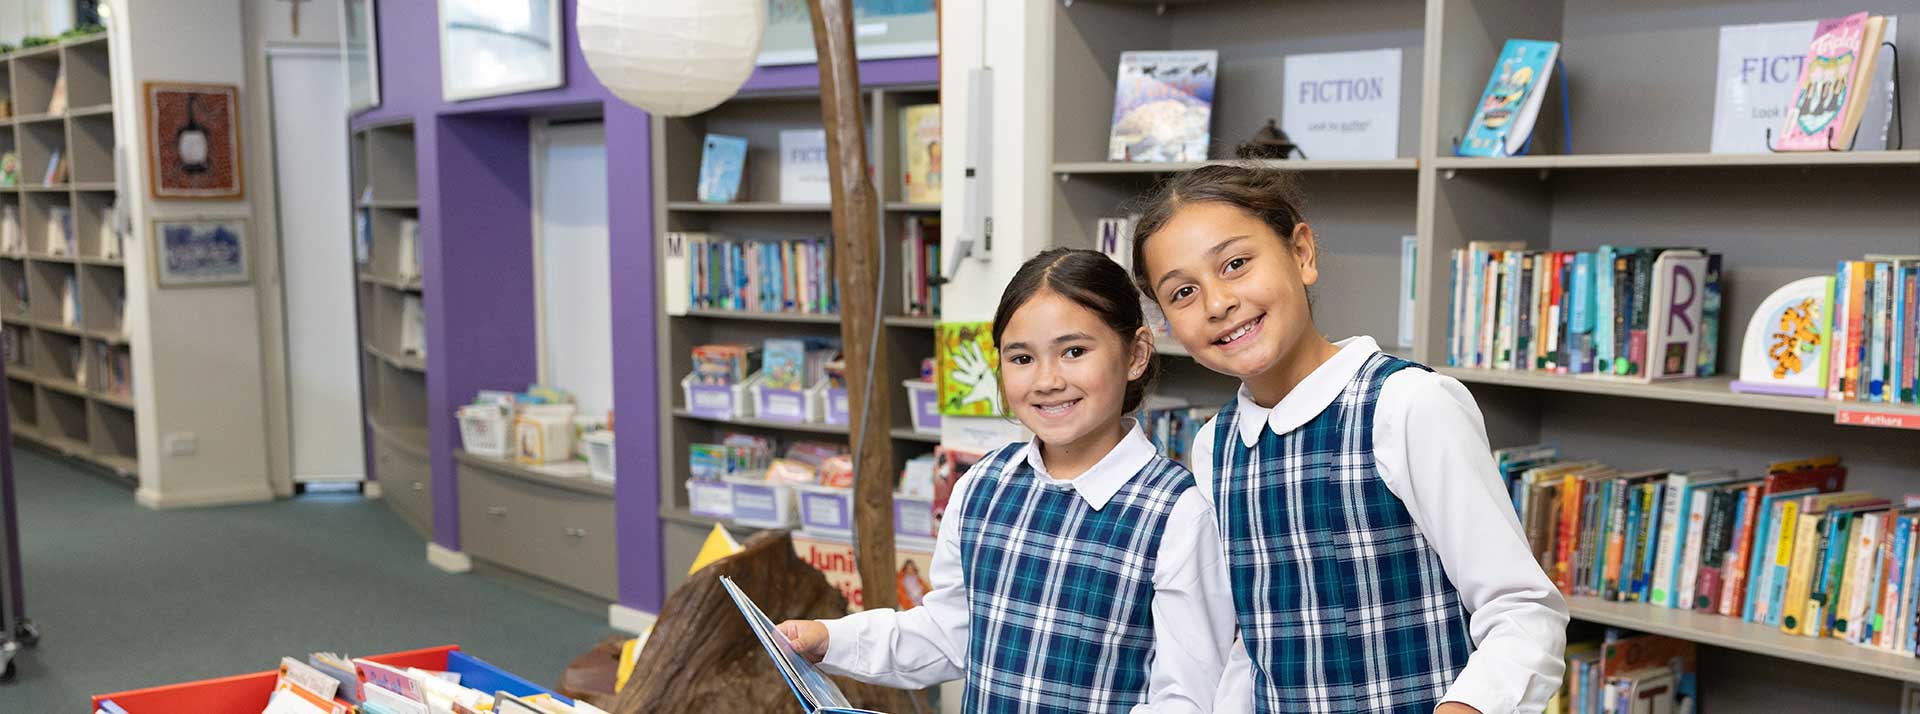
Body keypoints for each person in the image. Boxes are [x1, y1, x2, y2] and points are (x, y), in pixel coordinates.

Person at [1129, 164, 1568, 714]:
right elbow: (1255, 645)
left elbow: (1523, 611)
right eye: (1184, 292)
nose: (1217, 303)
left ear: (1301, 254)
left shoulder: (1408, 405)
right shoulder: (1215, 447)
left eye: (1236, 264)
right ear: (1165, 322)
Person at [778, 248, 1234, 713]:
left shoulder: (1179, 514)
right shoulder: (981, 486)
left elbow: (1186, 699)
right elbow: (949, 633)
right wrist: (829, 640)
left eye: (1074, 352)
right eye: (1021, 358)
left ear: (1136, 354)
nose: (1047, 380)